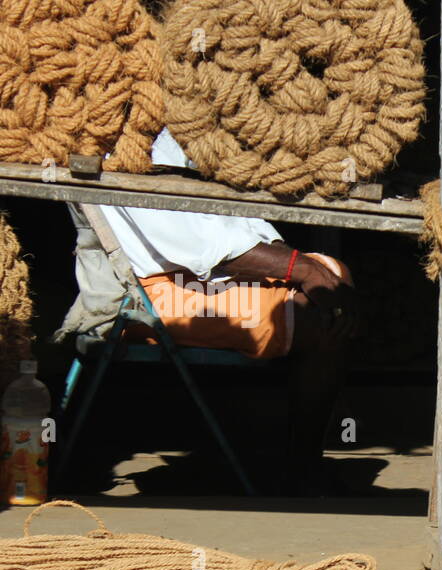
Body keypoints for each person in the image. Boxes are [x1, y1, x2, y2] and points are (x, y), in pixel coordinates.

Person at [58, 129, 356, 494]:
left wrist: (306, 269)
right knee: (313, 314)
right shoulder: (124, 147)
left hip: (201, 271)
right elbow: (201, 246)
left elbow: (235, 226)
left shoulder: (177, 130)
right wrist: (303, 272)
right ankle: (302, 468)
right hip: (147, 292)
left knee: (334, 276)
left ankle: (301, 460)